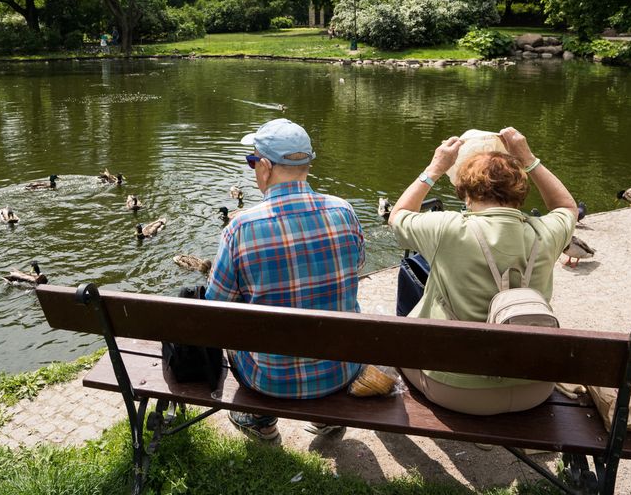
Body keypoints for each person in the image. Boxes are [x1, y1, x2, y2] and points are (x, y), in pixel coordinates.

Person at [387, 127, 576, 416]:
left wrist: (435, 167)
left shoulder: (448, 229)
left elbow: (397, 215)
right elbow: (565, 205)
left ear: (465, 191)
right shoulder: (545, 233)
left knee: (397, 342)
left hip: (457, 391)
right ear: (521, 191)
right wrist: (529, 158)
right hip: (535, 389)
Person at [206, 118, 364, 442]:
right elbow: (357, 264)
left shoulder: (241, 228)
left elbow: (214, 307)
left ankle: (260, 420)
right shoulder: (344, 211)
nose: (253, 169)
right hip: (340, 371)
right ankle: (327, 418)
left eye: (252, 162)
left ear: (264, 167)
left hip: (270, 379)